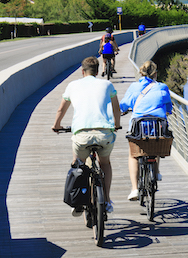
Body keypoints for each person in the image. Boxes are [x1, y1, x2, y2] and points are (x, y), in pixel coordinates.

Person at [52, 56, 122, 215]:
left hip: (82, 135)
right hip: (104, 134)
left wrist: (56, 125)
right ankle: (107, 200)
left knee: (78, 164)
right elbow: (116, 109)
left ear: (82, 71)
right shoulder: (107, 84)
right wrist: (116, 125)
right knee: (105, 163)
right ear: (97, 72)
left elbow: (61, 109)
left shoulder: (72, 85)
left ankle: (78, 202)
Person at [119, 60, 172, 201]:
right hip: (158, 126)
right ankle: (156, 171)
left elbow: (123, 105)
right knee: (156, 142)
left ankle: (134, 189)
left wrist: (124, 109)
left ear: (141, 73)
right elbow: (168, 108)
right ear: (155, 74)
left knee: (133, 155)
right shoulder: (162, 87)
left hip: (138, 127)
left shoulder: (134, 87)